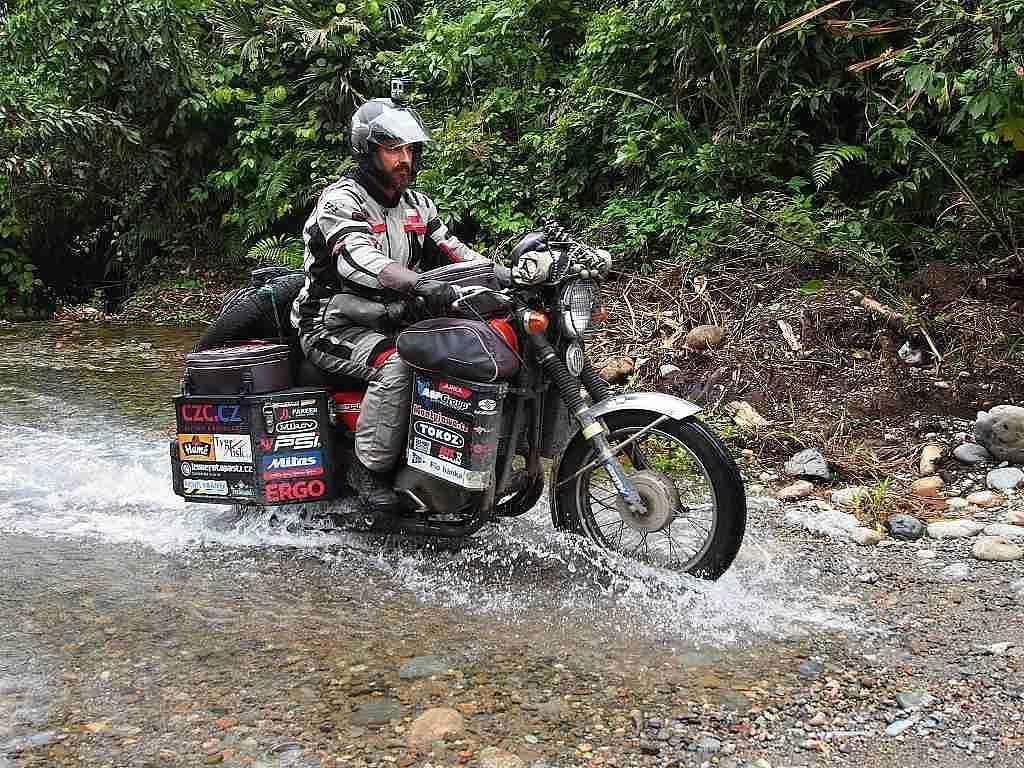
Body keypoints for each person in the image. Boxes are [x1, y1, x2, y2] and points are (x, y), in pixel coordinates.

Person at [290, 94, 489, 514]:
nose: (404, 160)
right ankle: (368, 469)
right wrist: (417, 283)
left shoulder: (418, 204)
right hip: (333, 326)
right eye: (393, 149)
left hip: (393, 320)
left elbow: (455, 251)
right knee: (396, 364)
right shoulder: (341, 201)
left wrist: (512, 275)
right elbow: (357, 257)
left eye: (410, 150)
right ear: (368, 150)